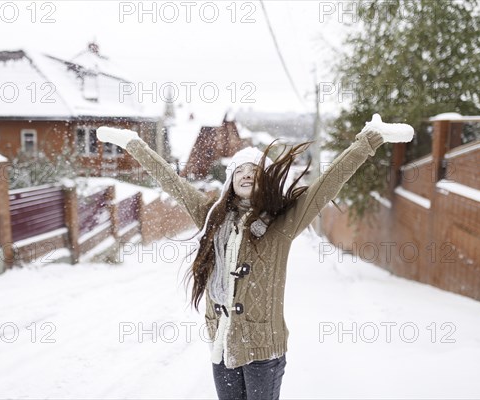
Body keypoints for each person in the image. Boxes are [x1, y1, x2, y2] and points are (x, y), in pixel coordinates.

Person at [97, 114, 414, 400]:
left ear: (263, 180)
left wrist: (368, 140)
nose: (246, 175)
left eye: (254, 171)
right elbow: (173, 182)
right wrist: (133, 144)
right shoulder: (212, 217)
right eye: (239, 171)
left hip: (263, 349)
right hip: (222, 344)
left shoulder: (281, 225)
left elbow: (327, 185)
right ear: (230, 181)